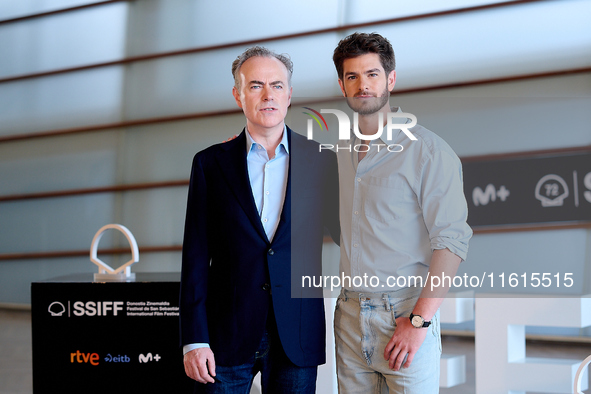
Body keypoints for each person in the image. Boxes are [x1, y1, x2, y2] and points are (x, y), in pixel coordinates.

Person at [179, 46, 339, 393]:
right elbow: (194, 257)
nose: (268, 95)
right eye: (255, 85)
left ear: (290, 95)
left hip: (295, 334)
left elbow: (351, 235)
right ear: (238, 95)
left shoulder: (322, 162)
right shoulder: (210, 164)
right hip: (224, 338)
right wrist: (193, 339)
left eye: (277, 85)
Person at [331, 32, 472, 392]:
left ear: (391, 79)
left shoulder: (428, 152)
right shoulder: (338, 152)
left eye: (372, 74)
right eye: (352, 77)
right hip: (348, 315)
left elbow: (452, 243)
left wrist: (419, 321)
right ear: (342, 85)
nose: (363, 85)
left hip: (404, 316)